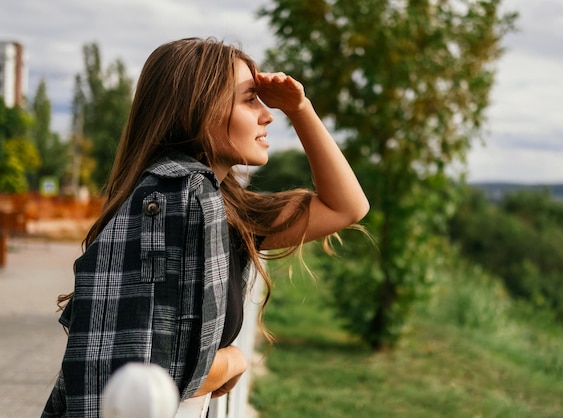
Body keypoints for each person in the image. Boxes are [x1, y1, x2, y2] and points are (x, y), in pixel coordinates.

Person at [42, 37, 369, 417]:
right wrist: (232, 361)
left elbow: (347, 206)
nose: (268, 115)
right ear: (197, 110)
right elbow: (147, 376)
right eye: (249, 99)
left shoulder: (217, 207)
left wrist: (301, 109)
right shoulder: (174, 200)